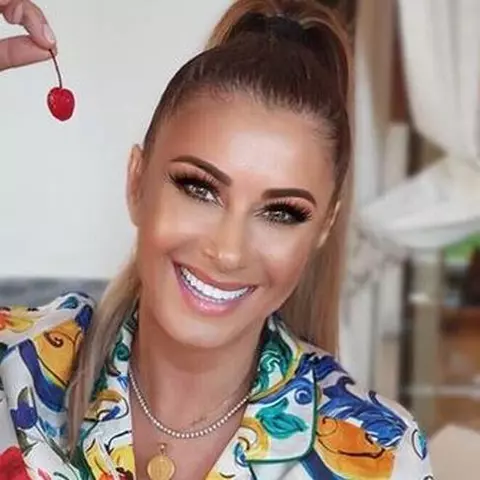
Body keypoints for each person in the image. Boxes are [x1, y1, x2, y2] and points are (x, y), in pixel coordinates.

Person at [0, 0, 434, 479]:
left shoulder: (381, 453)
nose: (228, 251)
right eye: (199, 189)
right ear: (137, 183)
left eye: (281, 213)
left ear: (323, 227)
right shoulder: (14, 363)